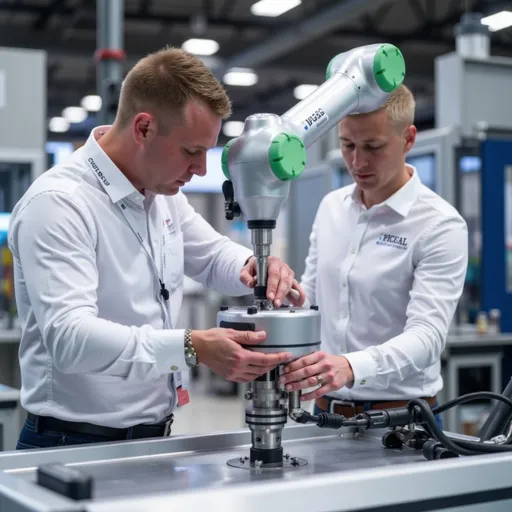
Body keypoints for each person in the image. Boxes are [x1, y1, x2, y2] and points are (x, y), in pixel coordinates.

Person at [9, 46, 306, 450]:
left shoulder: (161, 194)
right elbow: (70, 339)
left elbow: (211, 254)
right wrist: (192, 347)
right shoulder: (60, 203)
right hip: (72, 445)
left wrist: (256, 264)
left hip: (153, 438)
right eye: (191, 151)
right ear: (144, 128)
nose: (201, 169)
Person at [280, 85, 468, 424]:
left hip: (401, 422)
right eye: (347, 145)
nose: (357, 161)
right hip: (325, 415)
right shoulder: (331, 208)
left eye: (373, 147)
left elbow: (427, 337)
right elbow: (309, 302)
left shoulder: (439, 225)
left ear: (408, 139)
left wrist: (351, 367)